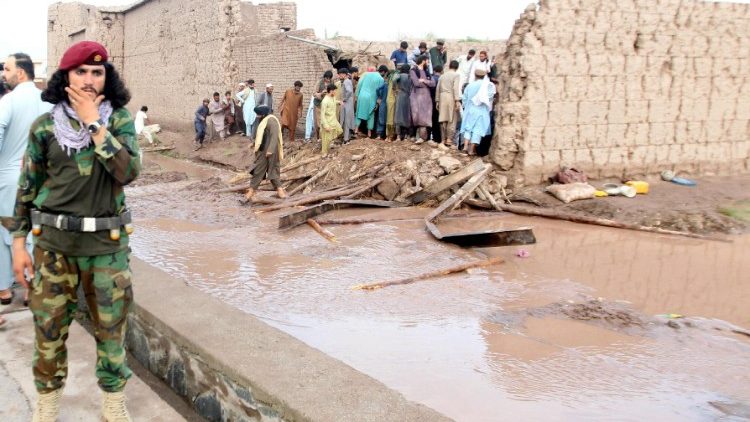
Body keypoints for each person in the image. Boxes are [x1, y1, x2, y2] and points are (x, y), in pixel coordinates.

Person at [2, 40, 141, 421]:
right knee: (48, 333)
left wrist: (94, 123)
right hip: (54, 249)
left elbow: (128, 172)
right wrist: (18, 244)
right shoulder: (45, 126)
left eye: (98, 72)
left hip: (106, 249)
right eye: (81, 72)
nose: (90, 80)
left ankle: (113, 404)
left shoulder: (120, 121)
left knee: (111, 333)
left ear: (106, 78)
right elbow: (27, 189)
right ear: (65, 77)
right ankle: (47, 404)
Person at [1, 53, 52, 317]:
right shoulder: (47, 101)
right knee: (35, 229)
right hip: (41, 177)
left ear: (20, 73)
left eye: (6, 69)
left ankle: (5, 290)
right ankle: (32, 288)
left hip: (9, 177)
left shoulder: (9, 101)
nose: (3, 74)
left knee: (5, 231)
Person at [242, 105, 286, 202]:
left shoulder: (271, 121)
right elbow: (262, 136)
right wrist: (253, 144)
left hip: (271, 152)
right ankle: (250, 193)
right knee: (258, 171)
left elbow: (274, 136)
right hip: (263, 152)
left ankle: (281, 192)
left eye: (258, 114)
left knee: (273, 171)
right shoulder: (264, 120)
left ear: (263, 114)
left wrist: (270, 150)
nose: (257, 116)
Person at [460, 69, 496, 155]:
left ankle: (465, 147)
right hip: (482, 111)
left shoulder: (470, 86)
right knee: (477, 130)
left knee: (468, 128)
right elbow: (490, 97)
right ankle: (471, 150)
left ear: (475, 75)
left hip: (470, 110)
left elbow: (464, 98)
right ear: (484, 76)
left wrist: (465, 107)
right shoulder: (488, 86)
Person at [355, 65, 387, 138]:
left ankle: (356, 130)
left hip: (362, 96)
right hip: (372, 98)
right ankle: (369, 133)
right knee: (370, 115)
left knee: (359, 113)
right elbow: (380, 91)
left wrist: (357, 95)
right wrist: (378, 100)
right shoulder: (380, 79)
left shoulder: (365, 74)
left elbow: (359, 84)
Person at [409, 56, 436, 143]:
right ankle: (415, 137)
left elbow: (433, 84)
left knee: (425, 117)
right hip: (416, 96)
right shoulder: (413, 70)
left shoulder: (427, 72)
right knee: (416, 117)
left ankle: (422, 138)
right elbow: (416, 83)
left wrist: (424, 81)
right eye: (427, 61)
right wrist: (426, 83)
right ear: (423, 61)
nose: (428, 63)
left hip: (426, 97)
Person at [436, 60, 462, 147]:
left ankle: (443, 139)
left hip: (442, 97)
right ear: (457, 67)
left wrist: (437, 100)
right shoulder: (456, 75)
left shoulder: (442, 76)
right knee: (452, 118)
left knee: (443, 119)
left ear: (449, 66)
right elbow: (455, 88)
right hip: (451, 97)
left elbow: (438, 88)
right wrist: (457, 100)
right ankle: (449, 139)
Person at [320, 84, 343, 156]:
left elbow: (334, 101)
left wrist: (339, 102)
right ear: (331, 91)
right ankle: (324, 153)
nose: (336, 92)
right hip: (327, 122)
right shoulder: (325, 101)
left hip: (333, 120)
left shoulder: (333, 97)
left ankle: (330, 144)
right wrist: (325, 125)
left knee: (339, 130)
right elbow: (322, 115)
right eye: (335, 91)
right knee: (326, 139)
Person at [393, 64, 412, 141]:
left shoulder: (399, 75)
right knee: (407, 115)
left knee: (398, 115)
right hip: (408, 96)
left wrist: (395, 88)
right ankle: (407, 136)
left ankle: (398, 136)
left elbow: (394, 80)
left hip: (400, 95)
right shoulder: (409, 76)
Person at [313, 70, 333, 141]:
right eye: (326, 78)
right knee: (320, 122)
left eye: (329, 78)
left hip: (327, 105)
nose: (328, 80)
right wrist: (321, 93)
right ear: (324, 77)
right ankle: (320, 137)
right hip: (319, 105)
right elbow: (314, 93)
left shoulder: (331, 83)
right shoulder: (319, 82)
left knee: (327, 120)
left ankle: (327, 136)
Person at [337, 68, 354, 143]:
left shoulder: (346, 81)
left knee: (346, 120)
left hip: (347, 103)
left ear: (344, 74)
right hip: (349, 103)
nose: (339, 76)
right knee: (347, 120)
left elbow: (349, 91)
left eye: (340, 74)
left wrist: (344, 99)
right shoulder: (348, 81)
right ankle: (347, 137)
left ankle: (346, 139)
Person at [427, 64, 442, 143]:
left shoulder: (431, 78)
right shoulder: (441, 79)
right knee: (437, 121)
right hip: (438, 102)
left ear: (435, 71)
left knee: (429, 119)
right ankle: (437, 138)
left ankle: (428, 136)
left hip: (430, 100)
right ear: (441, 71)